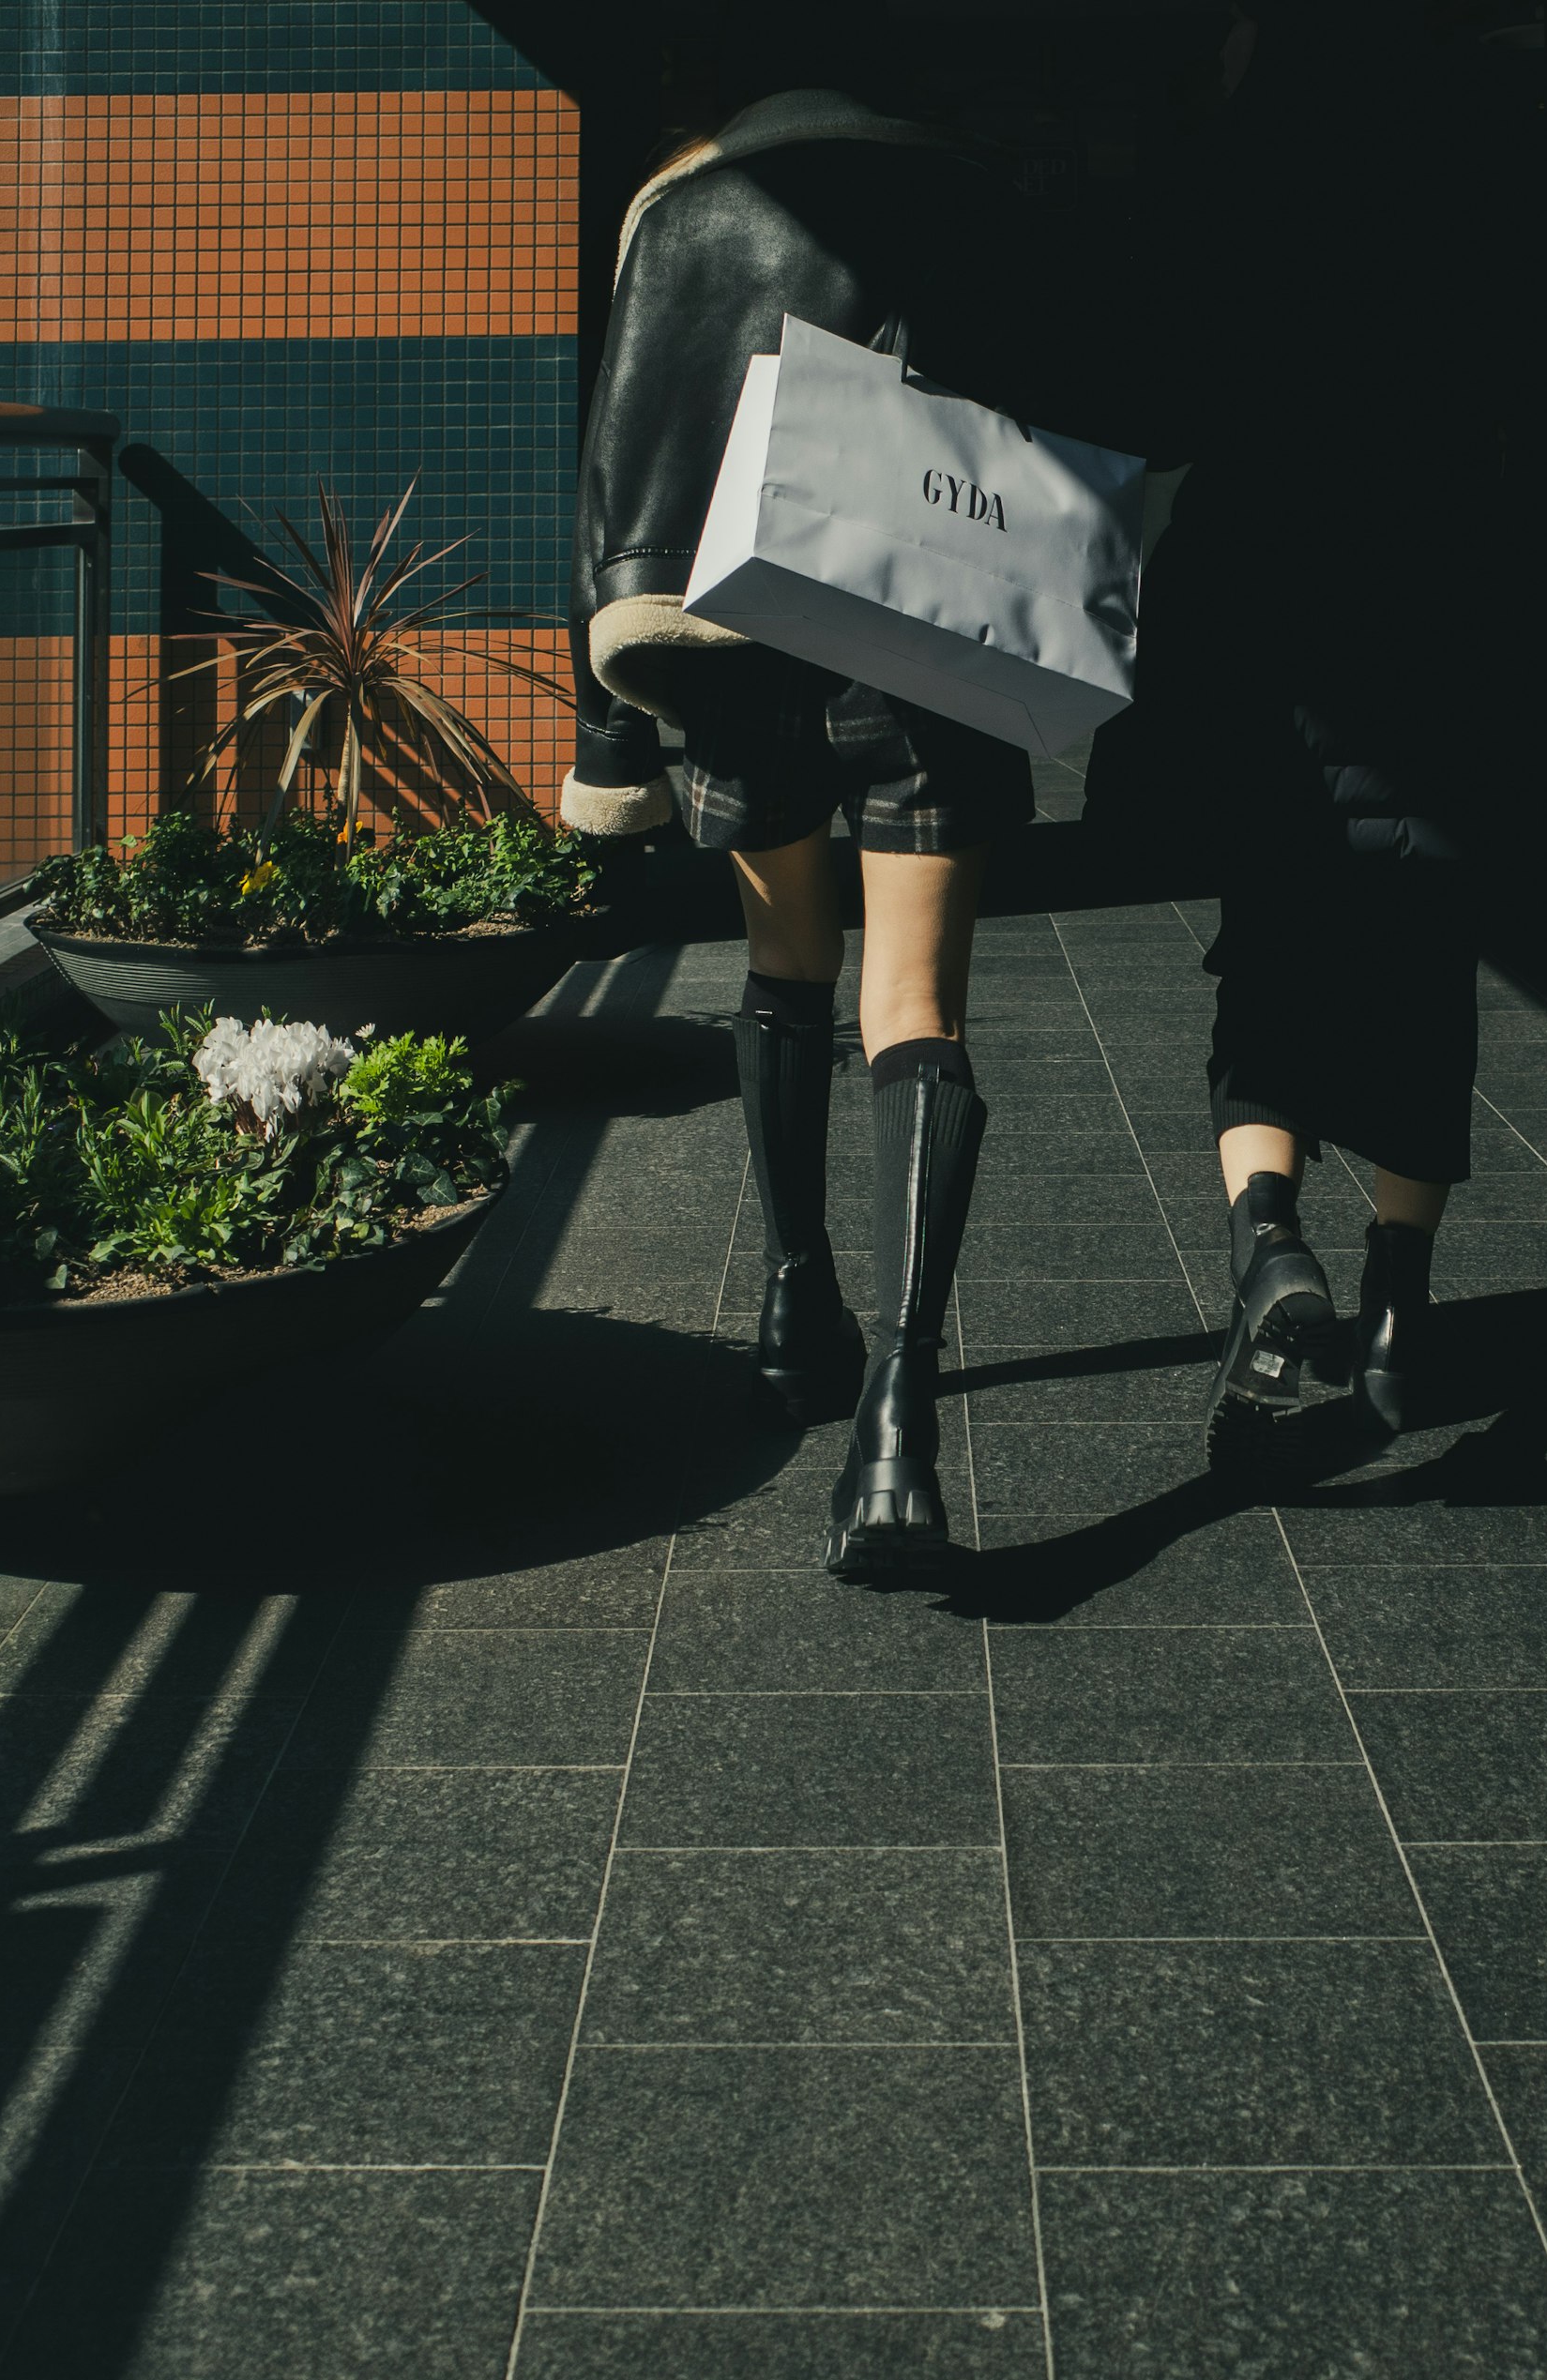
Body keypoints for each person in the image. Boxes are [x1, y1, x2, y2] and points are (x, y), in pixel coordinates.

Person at [1093, 7, 1547, 1443]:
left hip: (1268, 641)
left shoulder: (1231, 197)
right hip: (1453, 638)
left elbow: (1143, 403)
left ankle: (1268, 1247)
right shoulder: (1486, 205)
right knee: (1427, 970)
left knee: (1273, 955)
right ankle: (1398, 1316)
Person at [567, 50, 1139, 1577]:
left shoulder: (685, 209)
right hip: (920, 649)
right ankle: (902, 1410)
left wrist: (611, 726)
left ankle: (791, 1300)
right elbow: (1067, 434)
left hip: (732, 656)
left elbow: (620, 469)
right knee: (915, 1007)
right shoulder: (982, 203)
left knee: (784, 973)